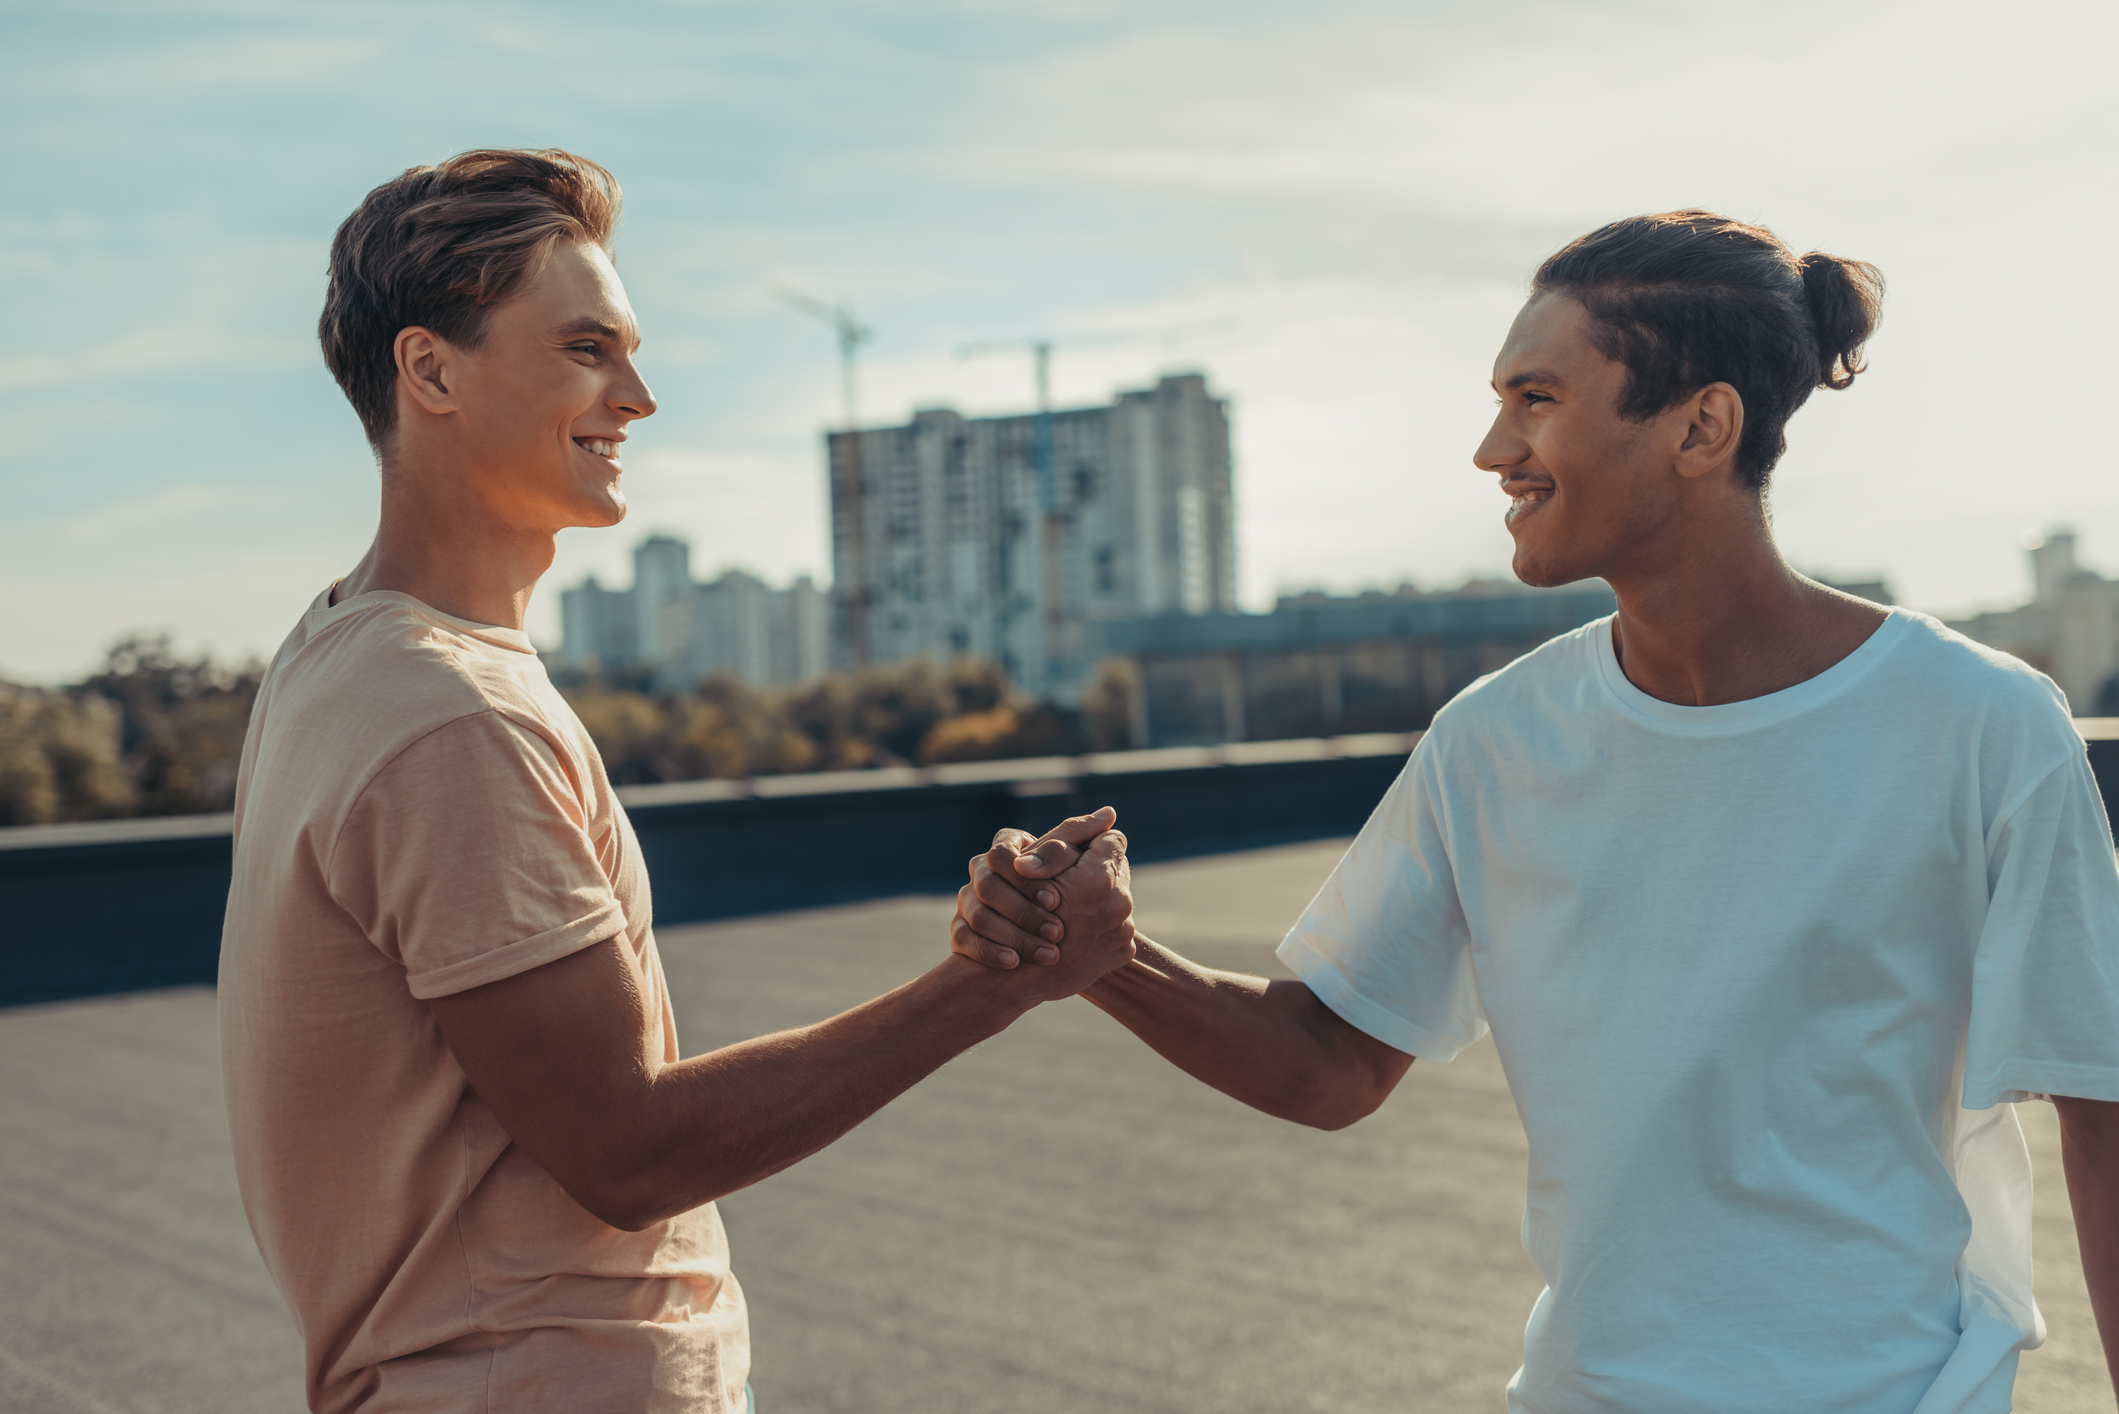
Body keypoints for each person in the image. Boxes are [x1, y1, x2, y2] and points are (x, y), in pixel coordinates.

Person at [956, 210, 2119, 1412]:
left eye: (1537, 397)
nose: (1490, 448)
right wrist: (1105, 957)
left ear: (1699, 425)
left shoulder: (1980, 722)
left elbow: (2105, 1110)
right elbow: (1332, 1062)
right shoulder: (1492, 741)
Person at [216, 148, 1138, 1414]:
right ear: (429, 370)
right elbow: (627, 1148)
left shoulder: (333, 650)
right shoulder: (449, 714)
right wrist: (995, 980)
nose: (636, 395)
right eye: (586, 349)